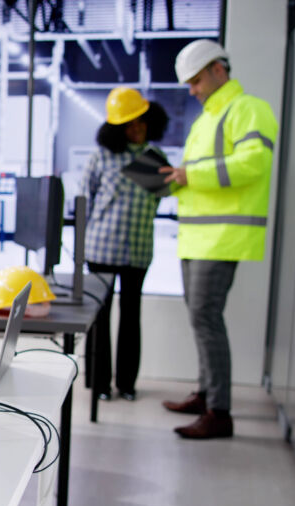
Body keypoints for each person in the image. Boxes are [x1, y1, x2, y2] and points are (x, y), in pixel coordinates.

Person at [159, 40, 278, 439]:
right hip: (196, 237)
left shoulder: (248, 109)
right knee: (201, 319)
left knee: (206, 318)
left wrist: (191, 175)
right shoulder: (205, 121)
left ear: (218, 70)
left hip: (222, 237)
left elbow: (254, 163)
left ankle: (219, 412)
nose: (192, 90)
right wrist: (175, 180)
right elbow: (201, 175)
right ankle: (206, 393)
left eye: (195, 81)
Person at [83, 87, 170, 402]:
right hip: (101, 248)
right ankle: (99, 384)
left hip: (138, 250)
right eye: (128, 124)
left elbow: (162, 198)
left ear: (149, 121)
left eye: (140, 122)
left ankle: (127, 384)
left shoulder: (155, 159)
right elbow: (87, 199)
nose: (136, 129)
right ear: (116, 127)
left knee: (131, 317)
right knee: (100, 317)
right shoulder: (102, 157)